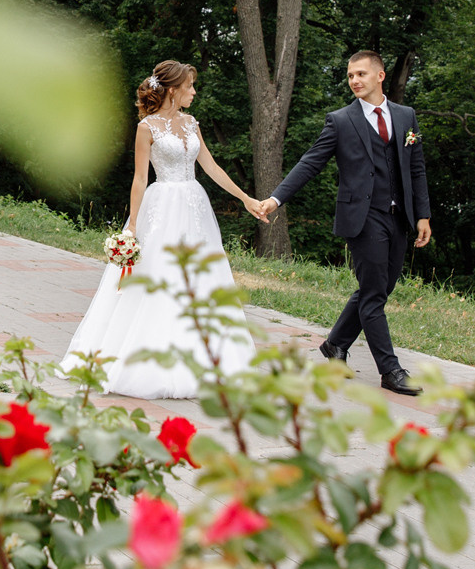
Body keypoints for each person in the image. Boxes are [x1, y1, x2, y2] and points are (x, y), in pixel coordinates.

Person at [61, 60, 263, 399]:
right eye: (190, 86)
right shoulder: (147, 128)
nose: (194, 92)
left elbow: (210, 166)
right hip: (161, 208)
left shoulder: (191, 123)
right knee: (159, 278)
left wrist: (245, 198)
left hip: (194, 207)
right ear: (173, 89)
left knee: (201, 278)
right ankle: (147, 361)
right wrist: (133, 227)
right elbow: (140, 179)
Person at [258, 50, 432, 396]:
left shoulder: (405, 116)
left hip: (400, 216)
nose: (354, 81)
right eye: (351, 75)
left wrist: (423, 214)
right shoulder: (339, 121)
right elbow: (310, 163)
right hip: (363, 218)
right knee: (373, 296)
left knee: (379, 289)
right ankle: (390, 370)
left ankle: (335, 344)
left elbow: (416, 167)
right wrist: (276, 199)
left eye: (361, 74)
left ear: (380, 76)